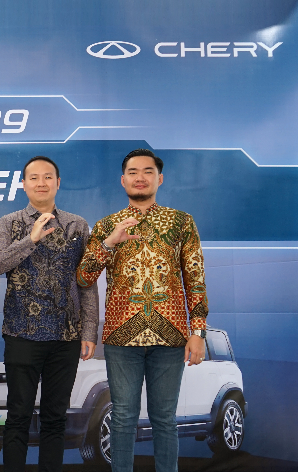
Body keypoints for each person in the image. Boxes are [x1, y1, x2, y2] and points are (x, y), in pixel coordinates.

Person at [76, 149, 208, 472]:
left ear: (159, 179)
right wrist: (109, 243)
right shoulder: (107, 225)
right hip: (121, 339)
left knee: (165, 419)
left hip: (170, 337)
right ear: (122, 180)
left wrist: (198, 332)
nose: (140, 177)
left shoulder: (181, 222)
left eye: (148, 171)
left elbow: (195, 279)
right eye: (133, 172)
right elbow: (83, 277)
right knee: (123, 417)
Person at [0, 156, 99, 472]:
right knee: (18, 415)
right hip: (21, 333)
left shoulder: (77, 225)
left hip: (66, 336)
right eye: (33, 178)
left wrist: (89, 330)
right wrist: (31, 239)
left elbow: (86, 280)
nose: (41, 183)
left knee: (55, 418)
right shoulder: (10, 223)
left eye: (47, 177)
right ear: (23, 184)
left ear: (58, 183)